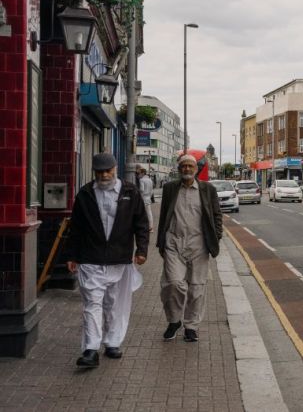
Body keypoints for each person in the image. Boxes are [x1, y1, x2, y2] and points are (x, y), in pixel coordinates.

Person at [64, 153, 149, 368]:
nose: (104, 175)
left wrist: (142, 250)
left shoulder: (130, 191)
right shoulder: (85, 194)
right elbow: (76, 228)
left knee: (115, 304)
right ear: (94, 172)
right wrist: (72, 255)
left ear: (115, 168)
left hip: (120, 259)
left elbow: (141, 223)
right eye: (100, 171)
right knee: (92, 303)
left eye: (107, 170)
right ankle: (90, 349)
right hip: (91, 258)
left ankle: (112, 342)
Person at [156, 153, 223, 343]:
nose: (186, 169)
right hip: (173, 242)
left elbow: (217, 215)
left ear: (196, 170)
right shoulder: (170, 188)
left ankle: (191, 326)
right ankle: (174, 321)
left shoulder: (207, 189)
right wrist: (161, 240)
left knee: (197, 288)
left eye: (190, 166)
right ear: (179, 169)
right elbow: (164, 216)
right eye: (183, 166)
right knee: (173, 283)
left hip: (199, 244)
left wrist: (215, 237)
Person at [137, 166, 155, 232]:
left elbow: (141, 190)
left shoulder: (141, 180)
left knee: (141, 213)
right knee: (149, 213)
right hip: (148, 198)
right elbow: (152, 191)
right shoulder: (150, 180)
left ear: (142, 173)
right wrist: (149, 197)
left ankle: (142, 227)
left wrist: (140, 197)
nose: (138, 175)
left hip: (143, 198)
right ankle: (151, 227)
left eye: (139, 173)